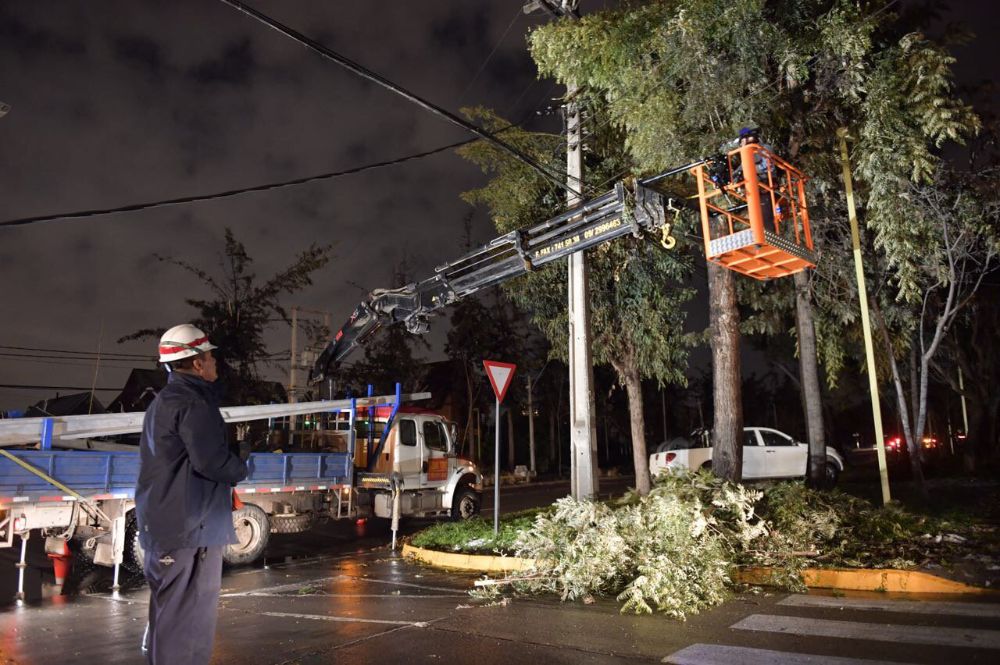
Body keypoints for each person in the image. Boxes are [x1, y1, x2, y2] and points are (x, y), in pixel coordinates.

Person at [136, 323, 249, 664]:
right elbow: (211, 462)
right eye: (211, 357)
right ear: (198, 363)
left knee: (169, 621)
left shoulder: (164, 402)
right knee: (188, 624)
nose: (215, 363)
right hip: (190, 531)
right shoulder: (194, 403)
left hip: (167, 527)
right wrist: (241, 464)